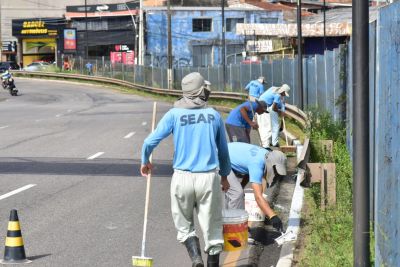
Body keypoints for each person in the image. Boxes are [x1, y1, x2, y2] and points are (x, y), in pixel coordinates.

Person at [141, 72, 231, 267]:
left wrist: (145, 162)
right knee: (212, 229)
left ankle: (196, 258)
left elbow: (149, 142)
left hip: (182, 178)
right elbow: (223, 152)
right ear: (202, 91)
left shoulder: (174, 114)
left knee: (184, 226)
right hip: (208, 178)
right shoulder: (214, 115)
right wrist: (224, 176)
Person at [224, 142, 287, 232]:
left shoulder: (266, 154)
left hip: (226, 156)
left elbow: (248, 171)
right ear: (270, 164)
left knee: (235, 192)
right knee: (237, 193)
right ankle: (236, 230)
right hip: (219, 159)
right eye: (275, 171)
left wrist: (241, 185)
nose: (275, 174)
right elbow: (258, 197)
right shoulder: (257, 164)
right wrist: (272, 216)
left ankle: (229, 224)